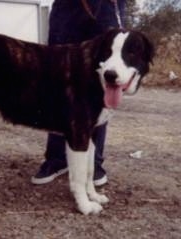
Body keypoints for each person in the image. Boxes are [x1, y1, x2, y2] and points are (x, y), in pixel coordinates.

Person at [31, 0, 126, 186]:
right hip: (68, 8)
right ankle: (57, 158)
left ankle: (94, 162)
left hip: (106, 6)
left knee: (102, 76)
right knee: (58, 74)